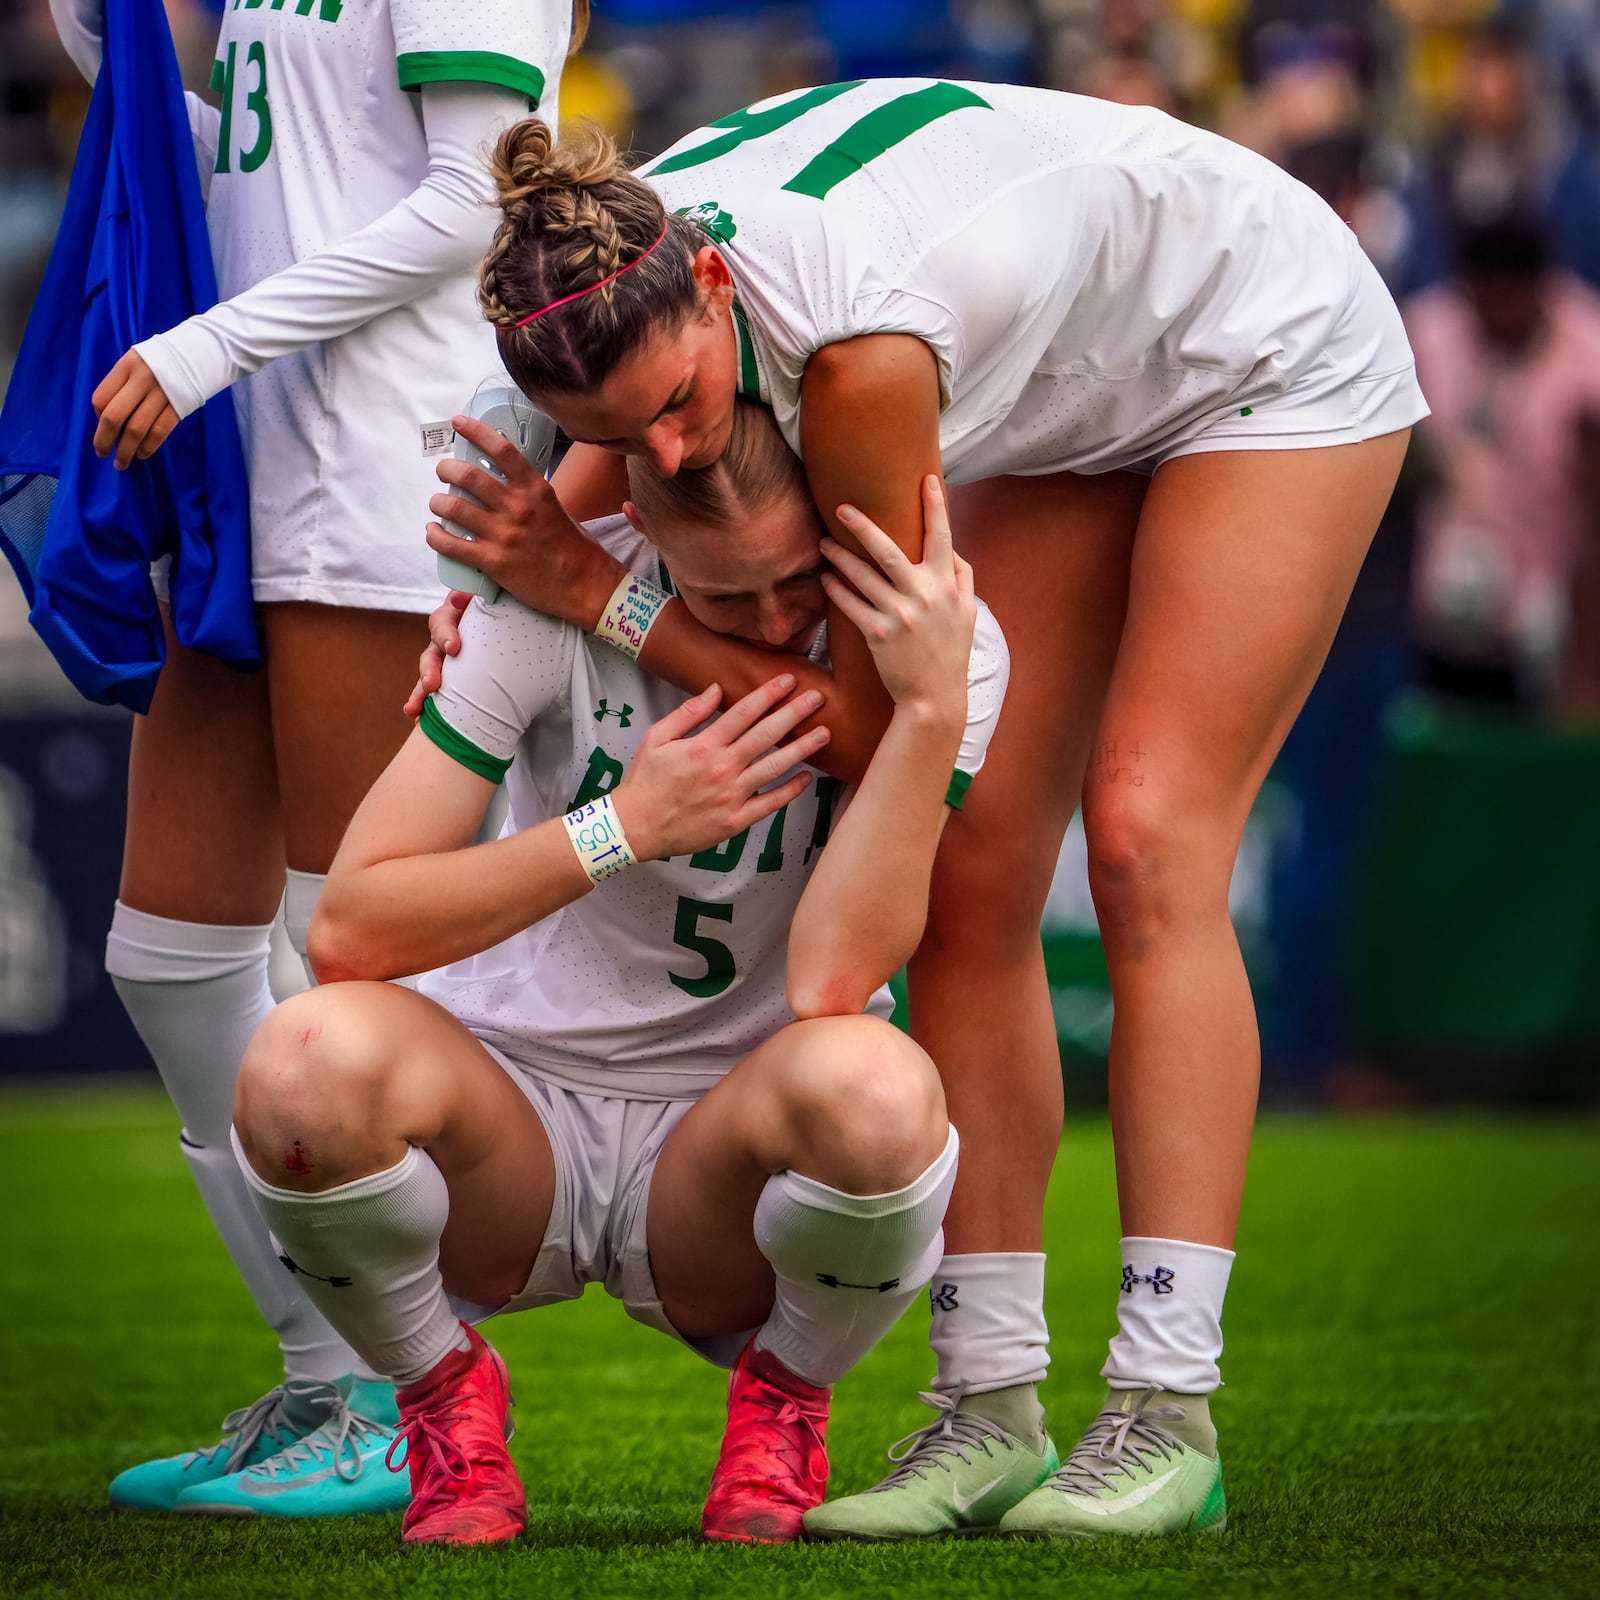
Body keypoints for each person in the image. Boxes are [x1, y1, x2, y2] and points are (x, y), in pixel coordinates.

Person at [413, 84, 1428, 1540]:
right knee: (974, 869)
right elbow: (562, 519)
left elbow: (880, 732)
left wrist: (601, 595)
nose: (678, 458)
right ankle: (991, 1407)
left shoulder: (858, 359)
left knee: (1145, 836)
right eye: (627, 438)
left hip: (1256, 330)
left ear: (712, 284)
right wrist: (482, 600)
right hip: (1078, 375)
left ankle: (1163, 1407)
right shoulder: (600, 294)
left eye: (686, 408)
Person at [230, 404, 1008, 1547]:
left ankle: (783, 1401)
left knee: (882, 1094)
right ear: (637, 527)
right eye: (725, 599)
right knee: (300, 1064)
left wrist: (929, 711)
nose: (774, 626)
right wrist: (625, 824)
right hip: (512, 1124)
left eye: (799, 583)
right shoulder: (538, 614)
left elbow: (831, 978)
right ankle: (442, 1396)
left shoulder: (940, 647)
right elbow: (348, 931)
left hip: (721, 1161)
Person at [47, 0, 581, 1515]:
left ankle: (400, 1389)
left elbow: (474, 190)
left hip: (375, 474)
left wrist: (211, 342)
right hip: (240, 463)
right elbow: (234, 133)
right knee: (169, 951)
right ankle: (326, 1378)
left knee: (344, 963)